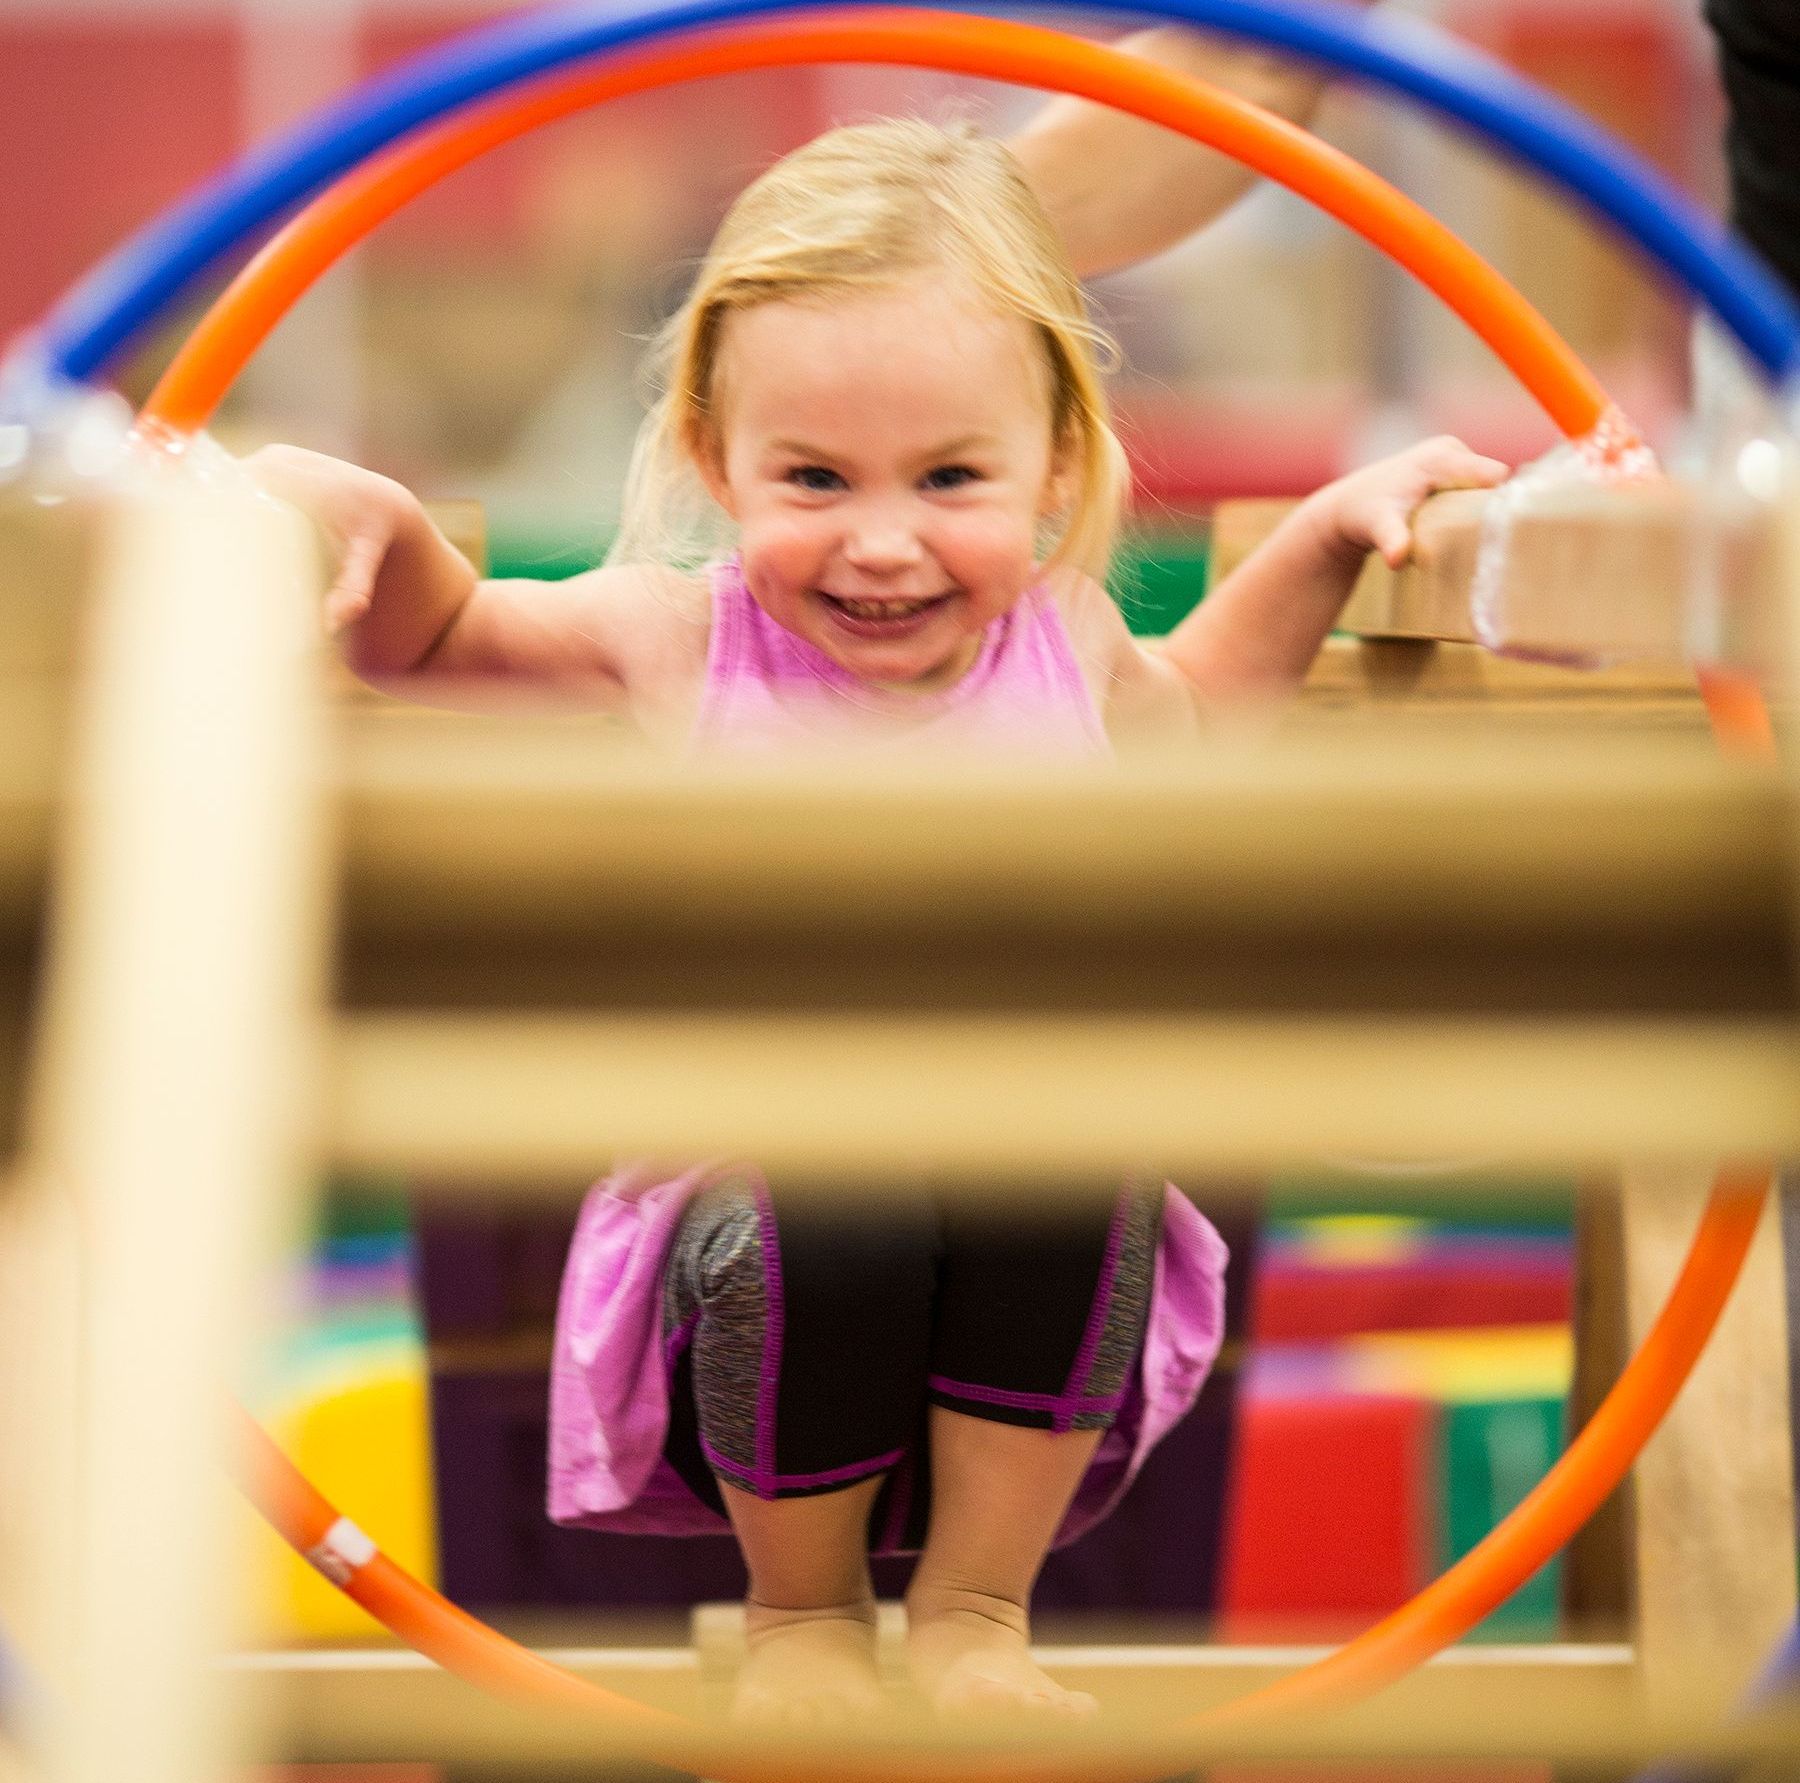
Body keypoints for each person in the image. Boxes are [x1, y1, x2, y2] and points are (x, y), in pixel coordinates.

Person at [249, 117, 1506, 1726]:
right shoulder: (675, 640)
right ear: (718, 457)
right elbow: (437, 640)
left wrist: (1330, 532)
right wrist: (350, 506)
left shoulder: (1069, 648)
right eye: (816, 479)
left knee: (1075, 1159)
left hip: (1029, 1249)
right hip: (759, 1249)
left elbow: (1202, 696)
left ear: (1058, 462)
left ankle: (978, 1612)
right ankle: (805, 1621)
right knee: (828, 1194)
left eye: (952, 478)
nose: (886, 540)